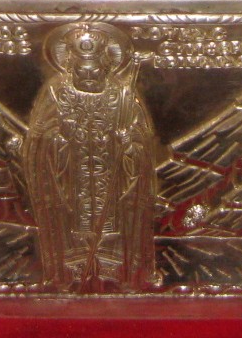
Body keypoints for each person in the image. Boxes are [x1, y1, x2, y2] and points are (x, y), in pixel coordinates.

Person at [23, 23, 159, 290]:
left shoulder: (122, 95)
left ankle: (119, 275)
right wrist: (61, 137)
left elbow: (142, 142)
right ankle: (68, 275)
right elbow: (38, 142)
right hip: (70, 184)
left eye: (94, 71)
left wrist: (127, 143)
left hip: (114, 184)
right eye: (81, 71)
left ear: (106, 67)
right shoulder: (56, 93)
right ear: (70, 66)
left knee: (114, 234)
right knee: (72, 230)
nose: (87, 76)